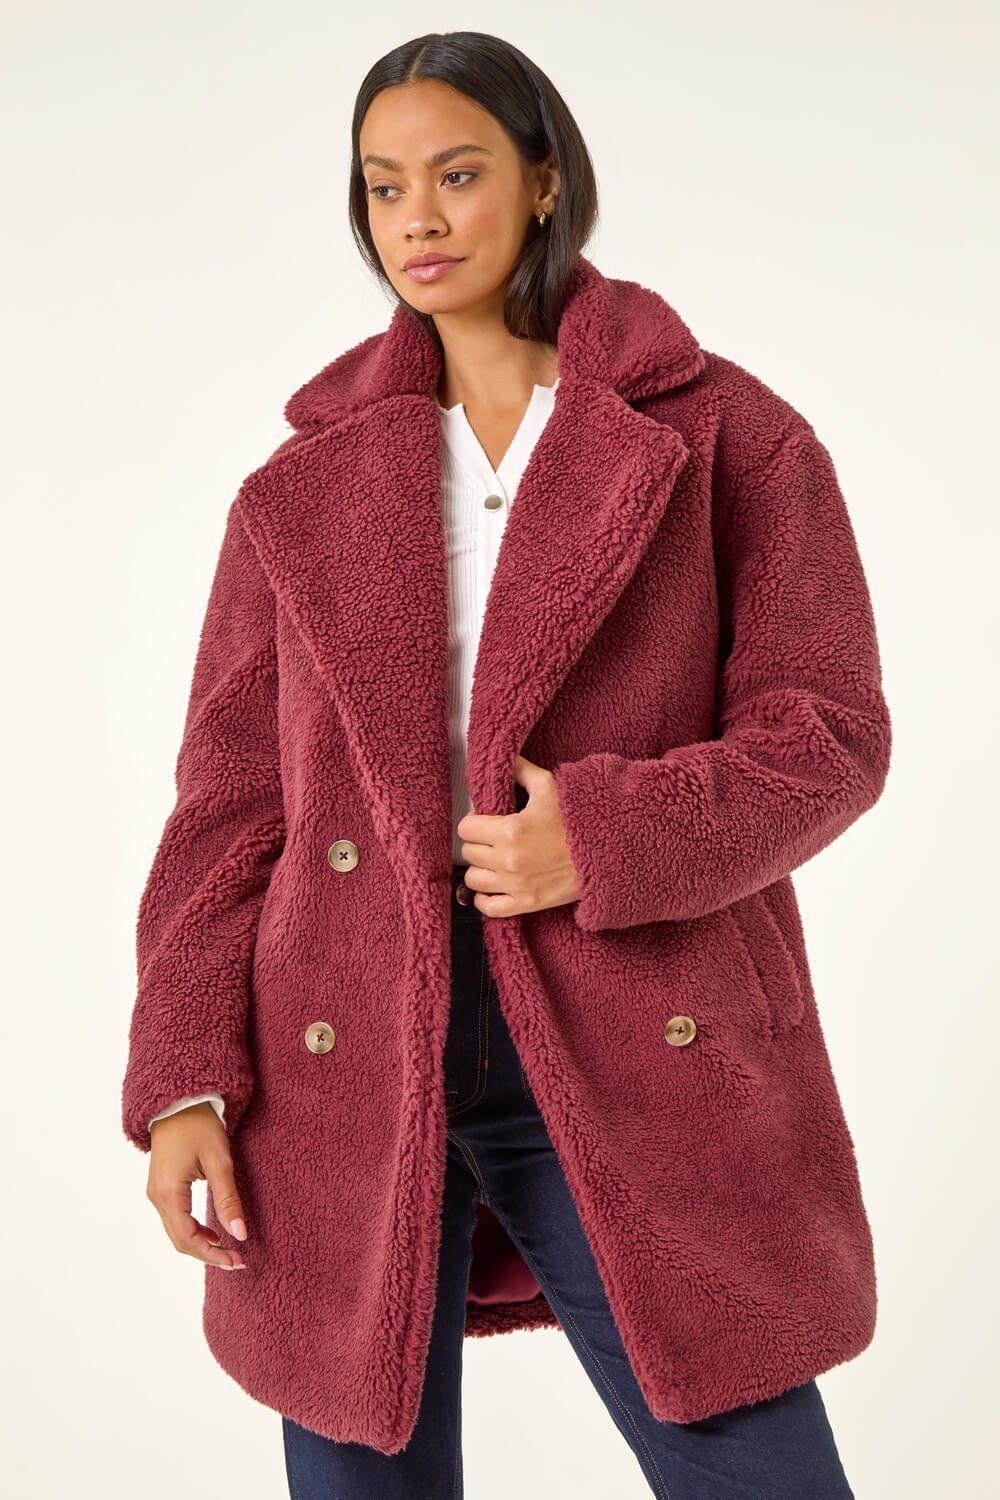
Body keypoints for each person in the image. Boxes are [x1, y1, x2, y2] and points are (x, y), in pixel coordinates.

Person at [122, 30, 891, 1499]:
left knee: (756, 1469)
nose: (416, 218)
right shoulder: (302, 481)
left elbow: (832, 734)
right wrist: (182, 1082)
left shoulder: (725, 435)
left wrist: (601, 837)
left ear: (544, 181)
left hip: (632, 1034)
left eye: (458, 174)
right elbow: (228, 808)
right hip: (342, 1061)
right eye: (383, 186)